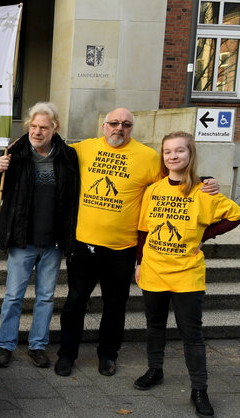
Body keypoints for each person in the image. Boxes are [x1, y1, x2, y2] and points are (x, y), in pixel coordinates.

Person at [55, 108, 220, 377]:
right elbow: (49, 149)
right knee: (75, 303)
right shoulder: (84, 148)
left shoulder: (148, 157)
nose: (119, 128)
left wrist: (207, 181)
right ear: (104, 125)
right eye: (114, 123)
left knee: (115, 306)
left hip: (122, 248)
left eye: (126, 124)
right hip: (84, 245)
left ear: (132, 128)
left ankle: (108, 355)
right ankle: (66, 355)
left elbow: (176, 182)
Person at [132, 131, 239, 417]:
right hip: (154, 268)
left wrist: (207, 234)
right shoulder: (153, 190)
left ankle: (199, 389)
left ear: (190, 155)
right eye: (168, 151)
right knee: (154, 325)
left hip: (187, 273)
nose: (173, 156)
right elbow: (143, 231)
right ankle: (155, 370)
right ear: (163, 156)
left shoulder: (204, 190)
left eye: (179, 151)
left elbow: (235, 215)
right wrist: (140, 262)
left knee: (192, 333)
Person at [0, 102, 80, 368]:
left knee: (46, 297)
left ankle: (38, 346)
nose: (37, 132)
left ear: (55, 128)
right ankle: (6, 345)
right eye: (34, 126)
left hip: (53, 241)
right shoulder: (14, 153)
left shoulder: (67, 156)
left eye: (43, 128)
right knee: (13, 296)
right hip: (22, 240)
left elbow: (72, 197)